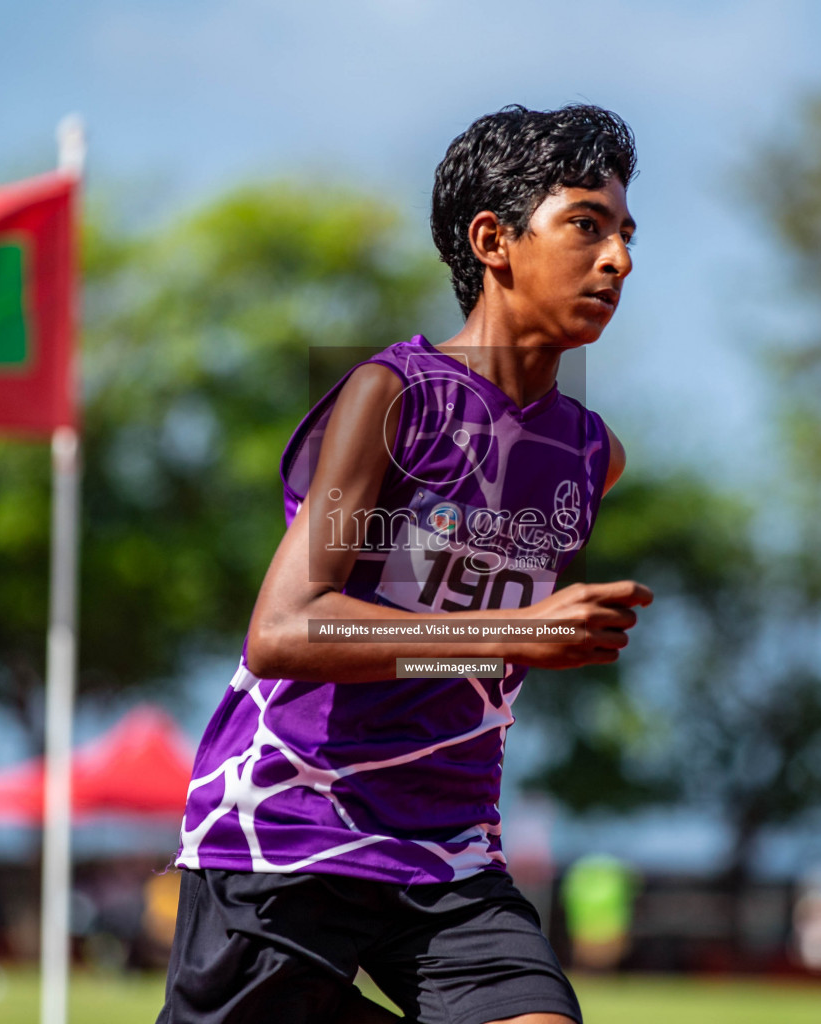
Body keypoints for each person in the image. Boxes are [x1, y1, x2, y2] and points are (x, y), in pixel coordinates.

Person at [157, 103, 651, 1024]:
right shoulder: (394, 397)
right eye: (586, 225)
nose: (618, 259)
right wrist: (512, 633)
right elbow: (284, 632)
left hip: (448, 851)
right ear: (493, 240)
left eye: (624, 233)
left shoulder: (593, 455)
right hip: (287, 837)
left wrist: (506, 642)